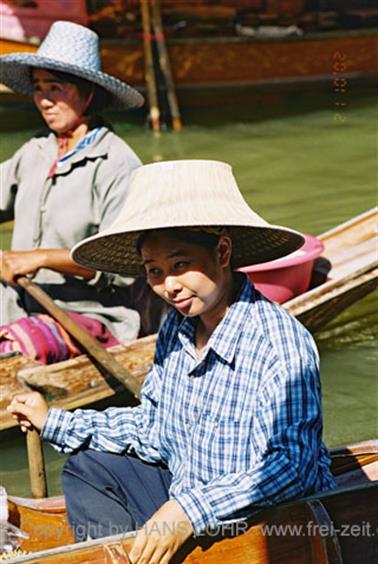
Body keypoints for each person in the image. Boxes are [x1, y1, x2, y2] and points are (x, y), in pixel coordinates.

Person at [8, 160, 336, 563]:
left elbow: (292, 468)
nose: (170, 286)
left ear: (222, 251)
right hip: (185, 492)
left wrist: (187, 512)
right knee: (89, 467)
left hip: (261, 518)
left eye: (181, 265)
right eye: (155, 272)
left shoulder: (280, 343)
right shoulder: (177, 327)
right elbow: (153, 426)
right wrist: (55, 421)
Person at [0, 20, 145, 363]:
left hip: (87, 315)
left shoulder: (117, 164)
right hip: (17, 302)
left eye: (56, 88)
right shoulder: (36, 150)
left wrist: (42, 257)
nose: (44, 100)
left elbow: (121, 266)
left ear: (88, 94)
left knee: (19, 347)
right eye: (38, 88)